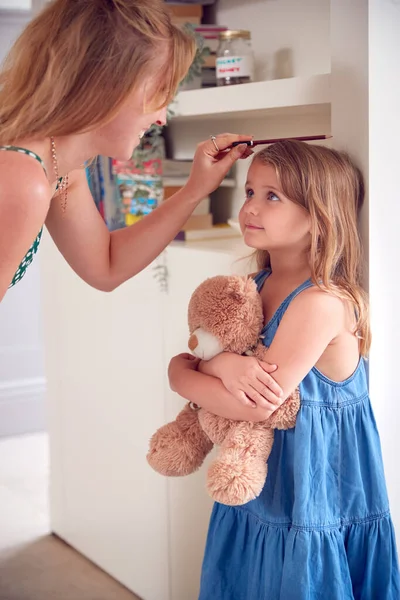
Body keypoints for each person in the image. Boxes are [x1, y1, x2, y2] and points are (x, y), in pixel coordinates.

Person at [168, 140, 400, 599]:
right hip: (261, 484)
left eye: (272, 196)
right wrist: (212, 364)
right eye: (250, 191)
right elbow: (195, 361)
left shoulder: (321, 303)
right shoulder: (251, 288)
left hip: (313, 490)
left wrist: (186, 373)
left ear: (319, 215)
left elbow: (254, 408)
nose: (250, 207)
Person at [0, 0, 253, 302]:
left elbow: (105, 265)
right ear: (108, 83)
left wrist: (195, 189)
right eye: (160, 93)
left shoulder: (62, 167)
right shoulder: (22, 178)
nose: (162, 117)